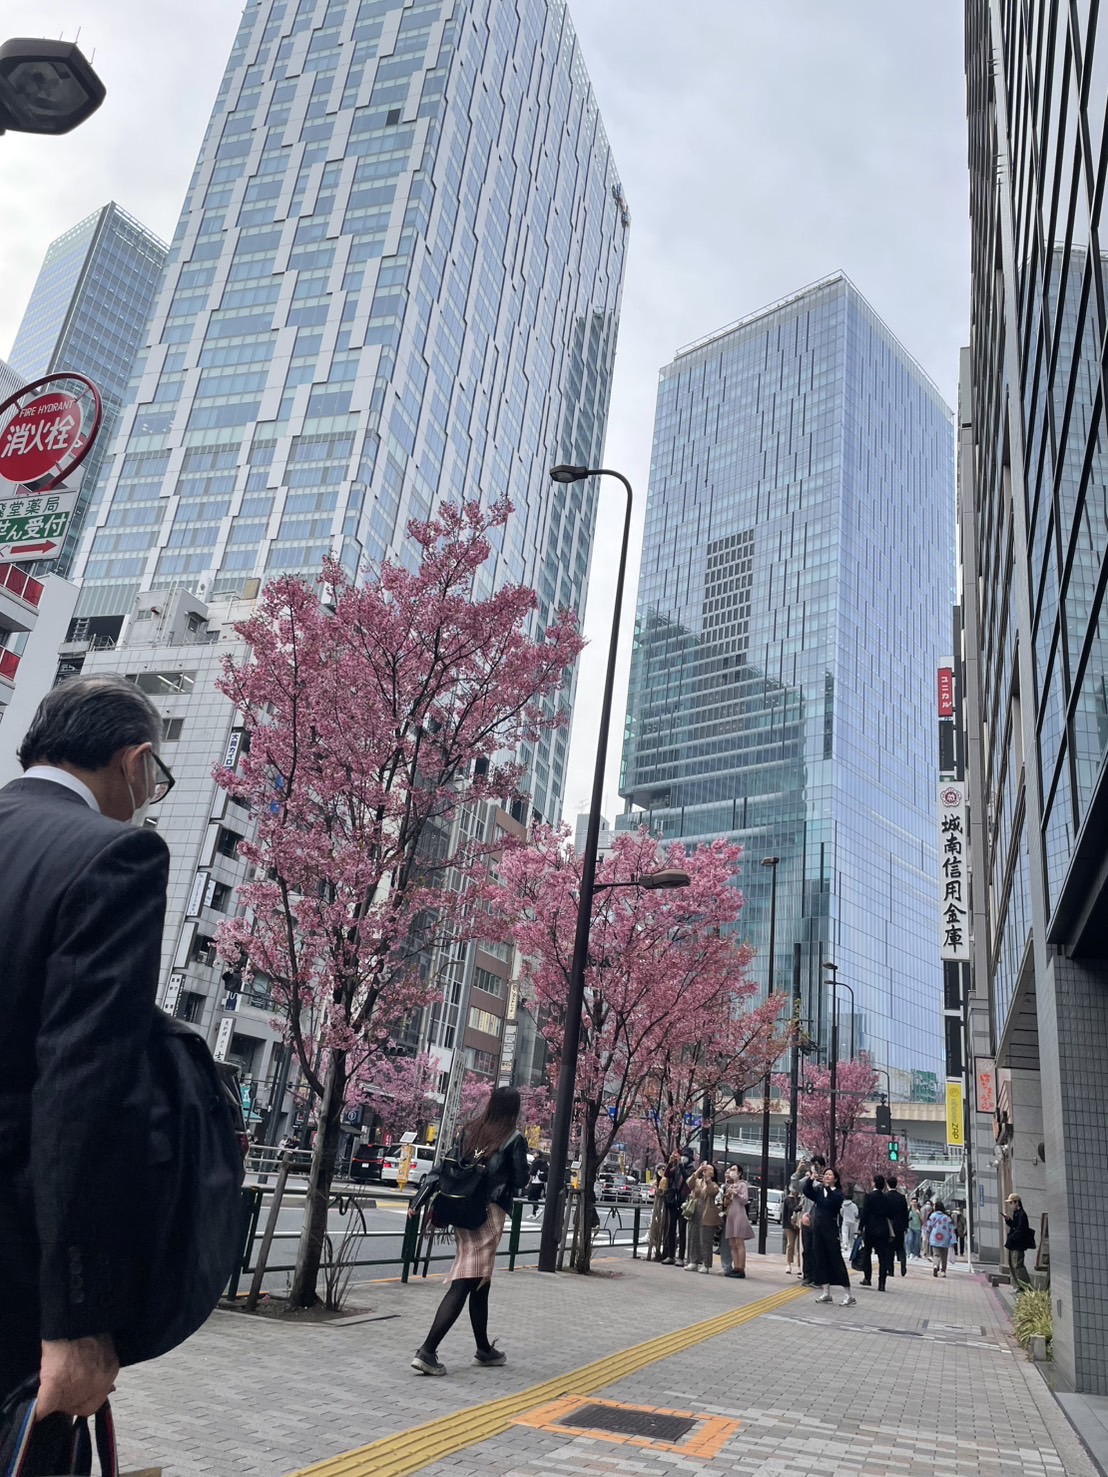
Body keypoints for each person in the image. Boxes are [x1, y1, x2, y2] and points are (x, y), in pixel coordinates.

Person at [0, 675, 172, 1470]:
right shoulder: (113, 853)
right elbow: (83, 1094)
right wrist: (75, 1322)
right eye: (155, 777)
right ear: (134, 762)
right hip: (14, 1277)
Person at [409, 1087, 529, 1374]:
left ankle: (484, 1349)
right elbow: (520, 1180)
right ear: (513, 1110)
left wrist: (420, 1198)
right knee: (464, 1280)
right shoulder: (513, 1138)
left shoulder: (470, 1131)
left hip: (463, 1209)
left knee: (479, 1280)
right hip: (488, 1213)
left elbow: (445, 1166)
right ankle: (427, 1351)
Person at [799, 1166, 855, 1306]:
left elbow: (831, 1203)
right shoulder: (819, 1191)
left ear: (835, 1179)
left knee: (836, 1260)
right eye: (825, 1174)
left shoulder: (838, 1193)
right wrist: (810, 1180)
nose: (826, 1176)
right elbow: (807, 1191)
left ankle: (848, 1294)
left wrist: (827, 1188)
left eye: (830, 1175)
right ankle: (826, 1292)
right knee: (820, 1259)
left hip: (830, 1230)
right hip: (817, 1229)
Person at [790, 1155, 826, 1286]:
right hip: (806, 1220)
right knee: (807, 1249)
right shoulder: (807, 1180)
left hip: (820, 1220)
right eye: (813, 1165)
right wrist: (798, 1171)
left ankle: (817, 1277)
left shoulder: (825, 1180)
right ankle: (807, 1275)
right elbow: (794, 1187)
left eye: (817, 1165)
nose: (815, 1168)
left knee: (817, 1249)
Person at [859, 1173, 896, 1291]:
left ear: (874, 1183)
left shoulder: (869, 1196)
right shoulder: (886, 1198)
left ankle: (867, 1278)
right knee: (882, 1257)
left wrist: (860, 1227)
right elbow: (891, 1215)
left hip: (870, 1229)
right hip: (883, 1229)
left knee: (867, 1253)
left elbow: (864, 1213)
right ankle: (882, 1283)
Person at [686, 1161, 722, 1273]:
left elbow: (712, 1192)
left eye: (708, 1169)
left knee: (705, 1239)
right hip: (695, 1210)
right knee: (693, 1236)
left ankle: (706, 1263)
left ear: (713, 1173)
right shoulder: (697, 1181)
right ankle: (693, 1261)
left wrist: (708, 1180)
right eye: (704, 1169)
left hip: (707, 1212)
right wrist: (698, 1171)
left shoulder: (714, 1184)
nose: (705, 1171)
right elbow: (689, 1183)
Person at [661, 1148, 693, 1265]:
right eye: (682, 1155)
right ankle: (670, 1255)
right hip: (674, 1201)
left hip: (684, 1202)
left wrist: (680, 1165)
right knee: (671, 1228)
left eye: (686, 1156)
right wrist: (670, 1163)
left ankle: (680, 1257)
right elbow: (667, 1174)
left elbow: (687, 1179)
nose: (683, 1158)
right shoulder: (678, 1168)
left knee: (682, 1230)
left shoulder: (692, 1169)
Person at [722, 1164, 754, 1278]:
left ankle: (741, 1268)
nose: (731, 1172)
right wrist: (727, 1196)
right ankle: (736, 1267)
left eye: (734, 1170)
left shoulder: (742, 1185)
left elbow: (745, 1200)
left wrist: (736, 1194)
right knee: (732, 1243)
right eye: (731, 1169)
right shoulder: (730, 1185)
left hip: (739, 1215)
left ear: (739, 1173)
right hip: (731, 1215)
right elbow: (726, 1202)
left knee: (739, 1242)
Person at [1003, 1194, 1035, 1289]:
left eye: (1011, 1203)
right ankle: (1019, 1286)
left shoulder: (1022, 1214)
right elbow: (1014, 1226)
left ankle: (1026, 1287)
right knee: (1013, 1265)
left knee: (1018, 1266)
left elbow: (1020, 1230)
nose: (1010, 1205)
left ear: (1017, 1202)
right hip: (1014, 1244)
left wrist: (1012, 1237)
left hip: (1018, 1245)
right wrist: (1008, 1220)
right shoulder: (1017, 1213)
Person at [886, 1175, 909, 1277]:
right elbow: (905, 1213)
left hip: (889, 1226)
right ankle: (903, 1262)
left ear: (887, 1185)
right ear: (896, 1185)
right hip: (900, 1226)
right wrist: (906, 1226)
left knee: (889, 1248)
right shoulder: (901, 1198)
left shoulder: (885, 1197)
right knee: (900, 1246)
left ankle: (890, 1270)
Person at [926, 1199, 955, 1277]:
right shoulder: (947, 1217)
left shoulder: (932, 1216)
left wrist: (928, 1233)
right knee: (944, 1256)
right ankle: (943, 1271)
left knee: (936, 1254)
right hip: (945, 1239)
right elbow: (951, 1229)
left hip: (935, 1238)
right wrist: (952, 1239)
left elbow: (928, 1227)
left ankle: (935, 1266)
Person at [783, 1190, 803, 1275]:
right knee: (790, 1244)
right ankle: (788, 1264)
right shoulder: (787, 1199)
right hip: (789, 1225)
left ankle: (799, 1266)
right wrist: (785, 1226)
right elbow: (785, 1214)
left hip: (800, 1224)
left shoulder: (802, 1198)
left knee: (800, 1246)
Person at [526, 1151, 547, 1217]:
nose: (533, 1154)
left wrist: (528, 1183)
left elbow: (532, 1173)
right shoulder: (543, 1162)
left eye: (534, 1153)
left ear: (538, 1154)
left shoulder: (536, 1162)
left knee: (530, 1197)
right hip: (542, 1182)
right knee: (535, 1198)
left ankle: (537, 1209)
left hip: (536, 1182)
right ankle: (534, 1213)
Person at [839, 1191, 860, 1256]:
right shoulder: (854, 1205)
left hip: (845, 1221)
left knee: (845, 1233)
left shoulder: (842, 1205)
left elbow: (841, 1212)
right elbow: (856, 1213)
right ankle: (851, 1245)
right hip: (853, 1221)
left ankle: (845, 1244)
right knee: (852, 1234)